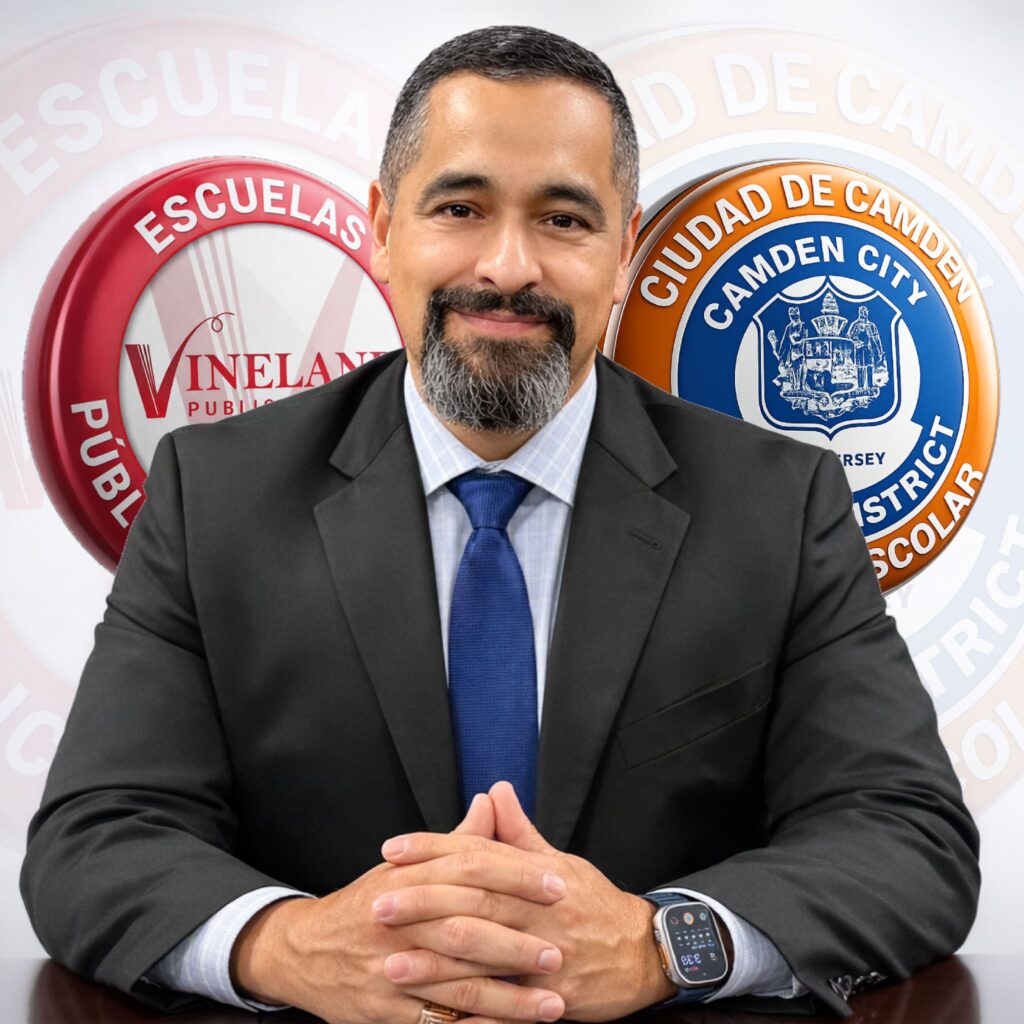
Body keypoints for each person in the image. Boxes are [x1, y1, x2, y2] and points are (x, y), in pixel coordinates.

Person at [21, 24, 979, 1024]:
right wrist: (289, 947)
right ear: (381, 226)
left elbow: (906, 835)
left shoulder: (780, 504)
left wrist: (663, 945)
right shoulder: (212, 493)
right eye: (460, 208)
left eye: (563, 219)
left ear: (625, 252)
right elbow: (98, 836)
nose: (509, 265)